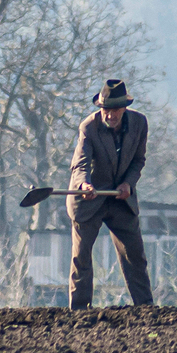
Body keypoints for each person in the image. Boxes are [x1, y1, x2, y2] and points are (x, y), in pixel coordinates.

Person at [65, 78, 154, 309]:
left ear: (124, 108)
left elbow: (138, 161)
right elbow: (80, 164)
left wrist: (128, 183)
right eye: (106, 110)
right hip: (89, 200)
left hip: (120, 199)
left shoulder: (139, 124)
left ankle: (146, 308)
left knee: (135, 255)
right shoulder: (88, 127)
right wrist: (84, 185)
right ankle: (80, 311)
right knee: (81, 257)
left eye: (115, 110)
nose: (110, 116)